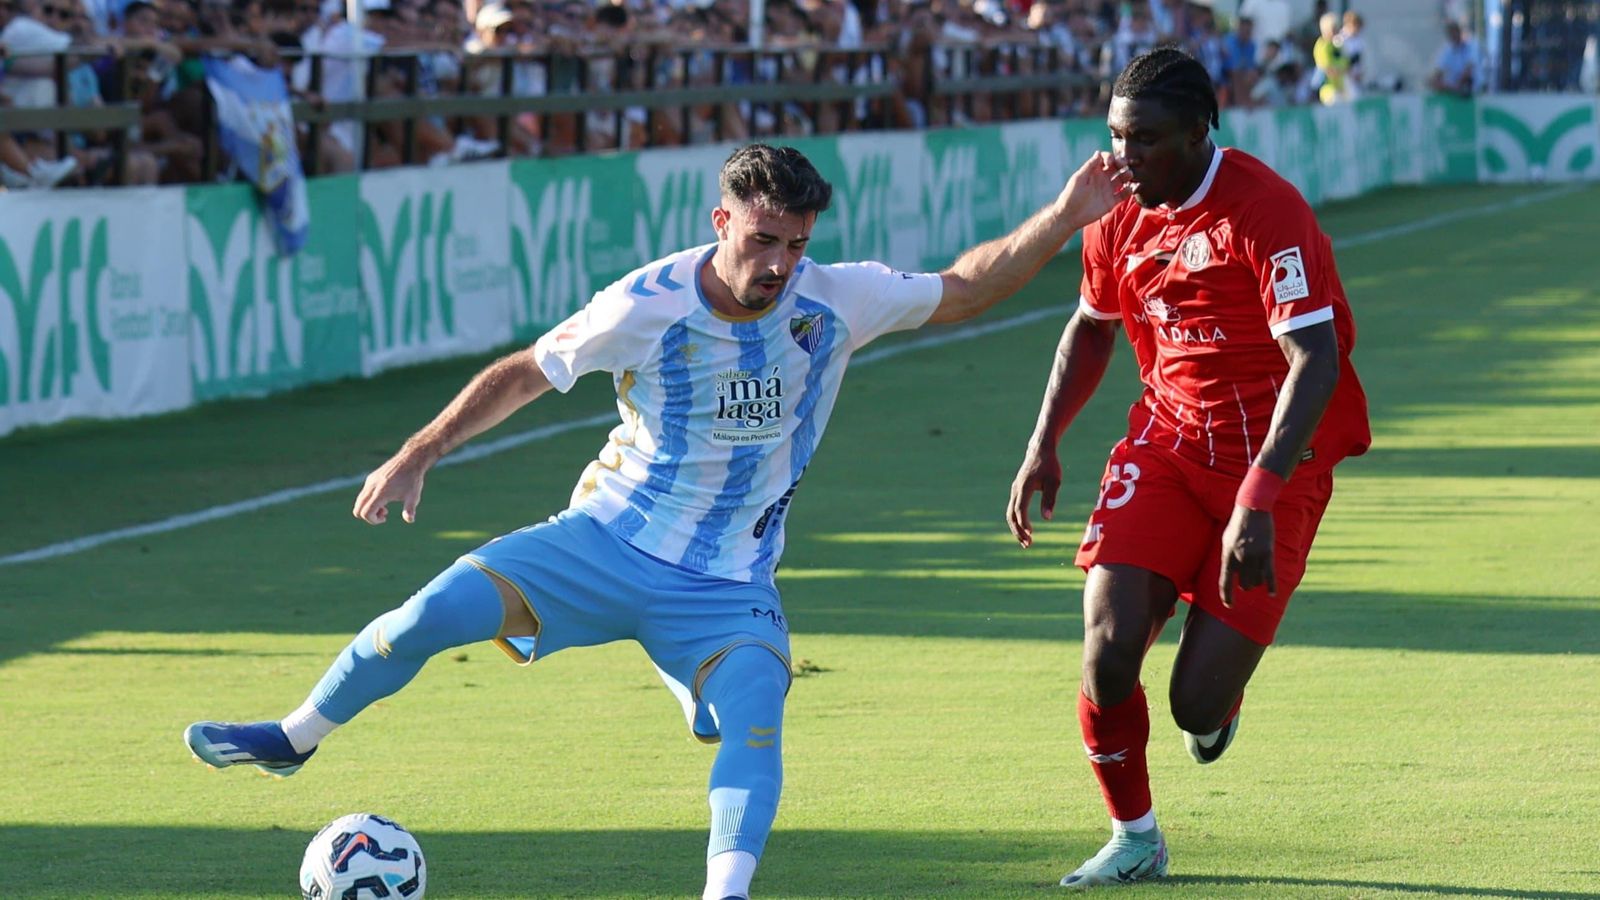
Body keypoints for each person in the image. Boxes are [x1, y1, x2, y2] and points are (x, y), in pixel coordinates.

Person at [185, 142, 1131, 900]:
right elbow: (527, 372)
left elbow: (965, 287)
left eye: (796, 244)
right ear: (722, 222)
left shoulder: (834, 299)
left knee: (758, 713)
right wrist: (421, 449)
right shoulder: (646, 305)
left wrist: (1064, 215)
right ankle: (293, 737)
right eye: (763, 240)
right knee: (429, 615)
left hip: (727, 581)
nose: (779, 264)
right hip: (602, 543)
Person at [1004, 47, 1370, 888]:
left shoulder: (1264, 209)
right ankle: (1135, 837)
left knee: (1192, 704)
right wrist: (1043, 441)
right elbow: (1092, 324)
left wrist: (1259, 496)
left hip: (1279, 462)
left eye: (1145, 139)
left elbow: (1315, 358)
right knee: (1107, 649)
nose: (1123, 157)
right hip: (1168, 443)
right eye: (1115, 135)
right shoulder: (1116, 207)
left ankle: (1217, 702)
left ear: (1201, 130)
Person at [1430, 20, 1476, 97]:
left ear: (1460, 33)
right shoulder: (1447, 51)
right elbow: (1438, 72)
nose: (1454, 36)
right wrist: (1436, 81)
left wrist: (1455, 86)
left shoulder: (1472, 47)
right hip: (1455, 91)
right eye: (1451, 34)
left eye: (1455, 32)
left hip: (1472, 92)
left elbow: (1468, 71)